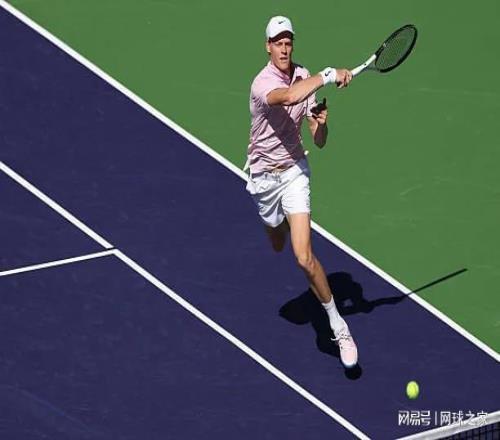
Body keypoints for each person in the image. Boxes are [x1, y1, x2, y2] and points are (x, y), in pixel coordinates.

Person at [245, 16, 358, 368]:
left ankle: (338, 326)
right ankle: (277, 222)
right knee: (277, 242)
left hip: (294, 171)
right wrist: (328, 75)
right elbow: (290, 96)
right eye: (277, 42)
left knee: (302, 256)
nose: (284, 48)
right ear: (267, 47)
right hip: (264, 178)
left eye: (288, 42)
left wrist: (320, 125)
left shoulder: (303, 75)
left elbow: (318, 140)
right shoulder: (262, 84)